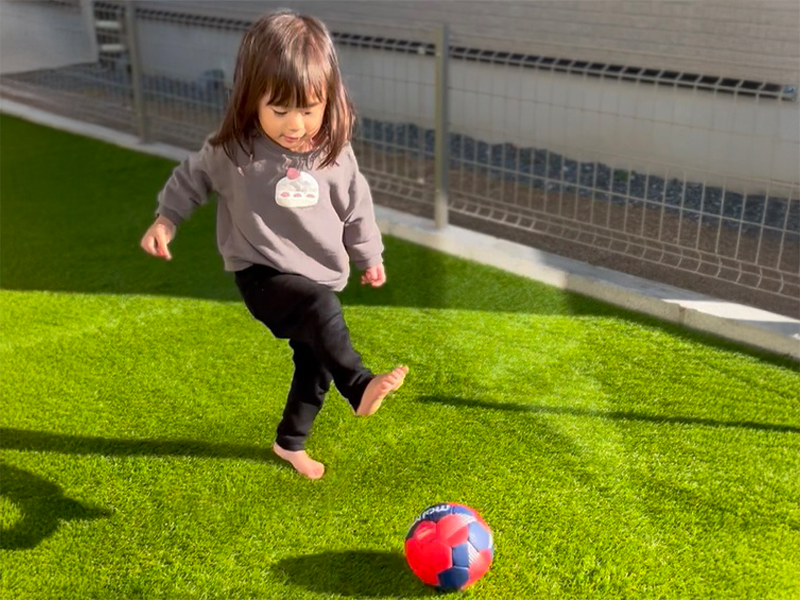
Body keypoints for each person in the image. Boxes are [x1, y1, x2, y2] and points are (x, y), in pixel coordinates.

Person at [140, 10, 408, 480]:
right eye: (279, 110)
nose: (294, 124)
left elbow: (356, 207)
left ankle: (290, 443)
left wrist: (369, 255)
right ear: (251, 100)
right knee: (321, 309)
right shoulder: (235, 150)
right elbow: (192, 177)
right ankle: (360, 385)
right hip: (261, 273)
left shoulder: (333, 153)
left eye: (308, 109)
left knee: (314, 363)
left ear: (330, 100)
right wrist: (167, 219)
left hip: (318, 271)